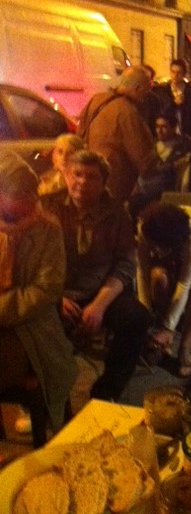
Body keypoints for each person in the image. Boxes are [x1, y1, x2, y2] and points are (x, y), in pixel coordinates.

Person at [42, 150, 152, 401]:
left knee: (137, 318)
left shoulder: (117, 213)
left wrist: (99, 305)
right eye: (77, 174)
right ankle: (47, 394)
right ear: (66, 175)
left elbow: (125, 263)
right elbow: (37, 259)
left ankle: (107, 392)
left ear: (104, 183)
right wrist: (56, 297)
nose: (82, 182)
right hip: (55, 292)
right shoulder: (48, 207)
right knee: (33, 323)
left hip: (99, 291)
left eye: (92, 177)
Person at [0, 150, 76, 434]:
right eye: (20, 196)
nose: (32, 203)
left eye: (32, 195)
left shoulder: (47, 229)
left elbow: (45, 291)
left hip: (32, 328)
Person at [137, 202, 191, 378]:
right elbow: (142, 272)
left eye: (158, 248)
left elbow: (184, 283)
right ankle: (165, 336)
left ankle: (185, 347)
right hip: (168, 241)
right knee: (158, 277)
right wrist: (144, 312)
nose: (155, 251)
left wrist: (169, 327)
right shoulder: (145, 227)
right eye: (153, 246)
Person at [77, 65, 157, 202]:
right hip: (113, 182)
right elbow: (142, 154)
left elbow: (80, 133)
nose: (146, 95)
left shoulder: (96, 100)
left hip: (88, 177)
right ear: (137, 88)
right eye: (146, 89)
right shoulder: (128, 112)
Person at [154, 58, 191, 139]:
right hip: (168, 132)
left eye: (178, 72)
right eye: (173, 72)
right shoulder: (163, 90)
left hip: (187, 133)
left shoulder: (190, 90)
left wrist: (184, 104)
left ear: (183, 74)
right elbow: (161, 111)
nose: (175, 75)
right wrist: (174, 103)